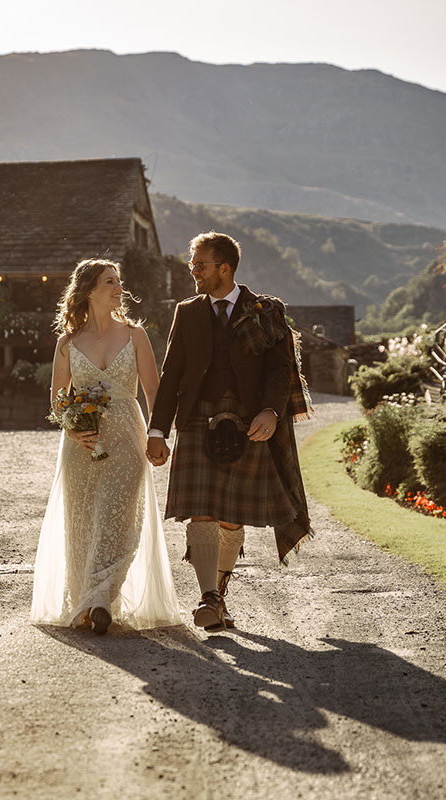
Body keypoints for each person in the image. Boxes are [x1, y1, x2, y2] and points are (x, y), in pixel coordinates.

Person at [146, 231, 312, 632]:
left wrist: (272, 411)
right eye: (193, 265)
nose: (193, 271)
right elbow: (172, 374)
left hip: (247, 420)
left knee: (232, 517)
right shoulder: (187, 312)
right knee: (201, 511)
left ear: (224, 268)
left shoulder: (265, 310)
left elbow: (280, 368)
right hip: (196, 419)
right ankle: (207, 597)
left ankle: (218, 594)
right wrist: (157, 429)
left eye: (199, 265)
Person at [30, 258, 181, 634]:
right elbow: (57, 399)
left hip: (127, 440)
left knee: (118, 518)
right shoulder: (68, 343)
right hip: (82, 445)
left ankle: (100, 599)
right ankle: (87, 602)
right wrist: (72, 429)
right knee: (82, 523)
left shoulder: (135, 335)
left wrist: (157, 434)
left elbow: (153, 392)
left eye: (119, 281)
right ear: (89, 290)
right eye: (110, 281)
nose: (119, 288)